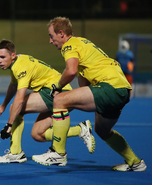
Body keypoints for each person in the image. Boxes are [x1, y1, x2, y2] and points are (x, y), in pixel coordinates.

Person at [32, 17, 146, 171]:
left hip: (109, 86)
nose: (51, 41)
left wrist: (57, 87)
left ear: (61, 33)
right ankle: (135, 162)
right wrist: (76, 99)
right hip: (122, 90)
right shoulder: (83, 43)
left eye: (51, 36)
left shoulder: (69, 46)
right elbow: (82, 80)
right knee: (102, 130)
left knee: (59, 100)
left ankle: (57, 153)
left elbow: (71, 71)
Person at [0, 39, 95, 163]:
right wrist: (3, 105)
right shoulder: (16, 64)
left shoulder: (21, 67)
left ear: (12, 55)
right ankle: (80, 130)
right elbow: (13, 86)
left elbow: (19, 100)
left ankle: (15, 153)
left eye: (2, 57)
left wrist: (9, 125)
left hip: (57, 92)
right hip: (56, 93)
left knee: (16, 107)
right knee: (38, 134)